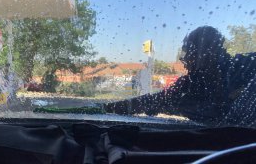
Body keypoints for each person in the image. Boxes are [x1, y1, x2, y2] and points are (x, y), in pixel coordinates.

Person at [104, 26, 256, 125]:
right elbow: (151, 100)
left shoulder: (245, 67)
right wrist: (106, 108)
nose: (183, 59)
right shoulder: (188, 85)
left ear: (209, 51)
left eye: (189, 51)